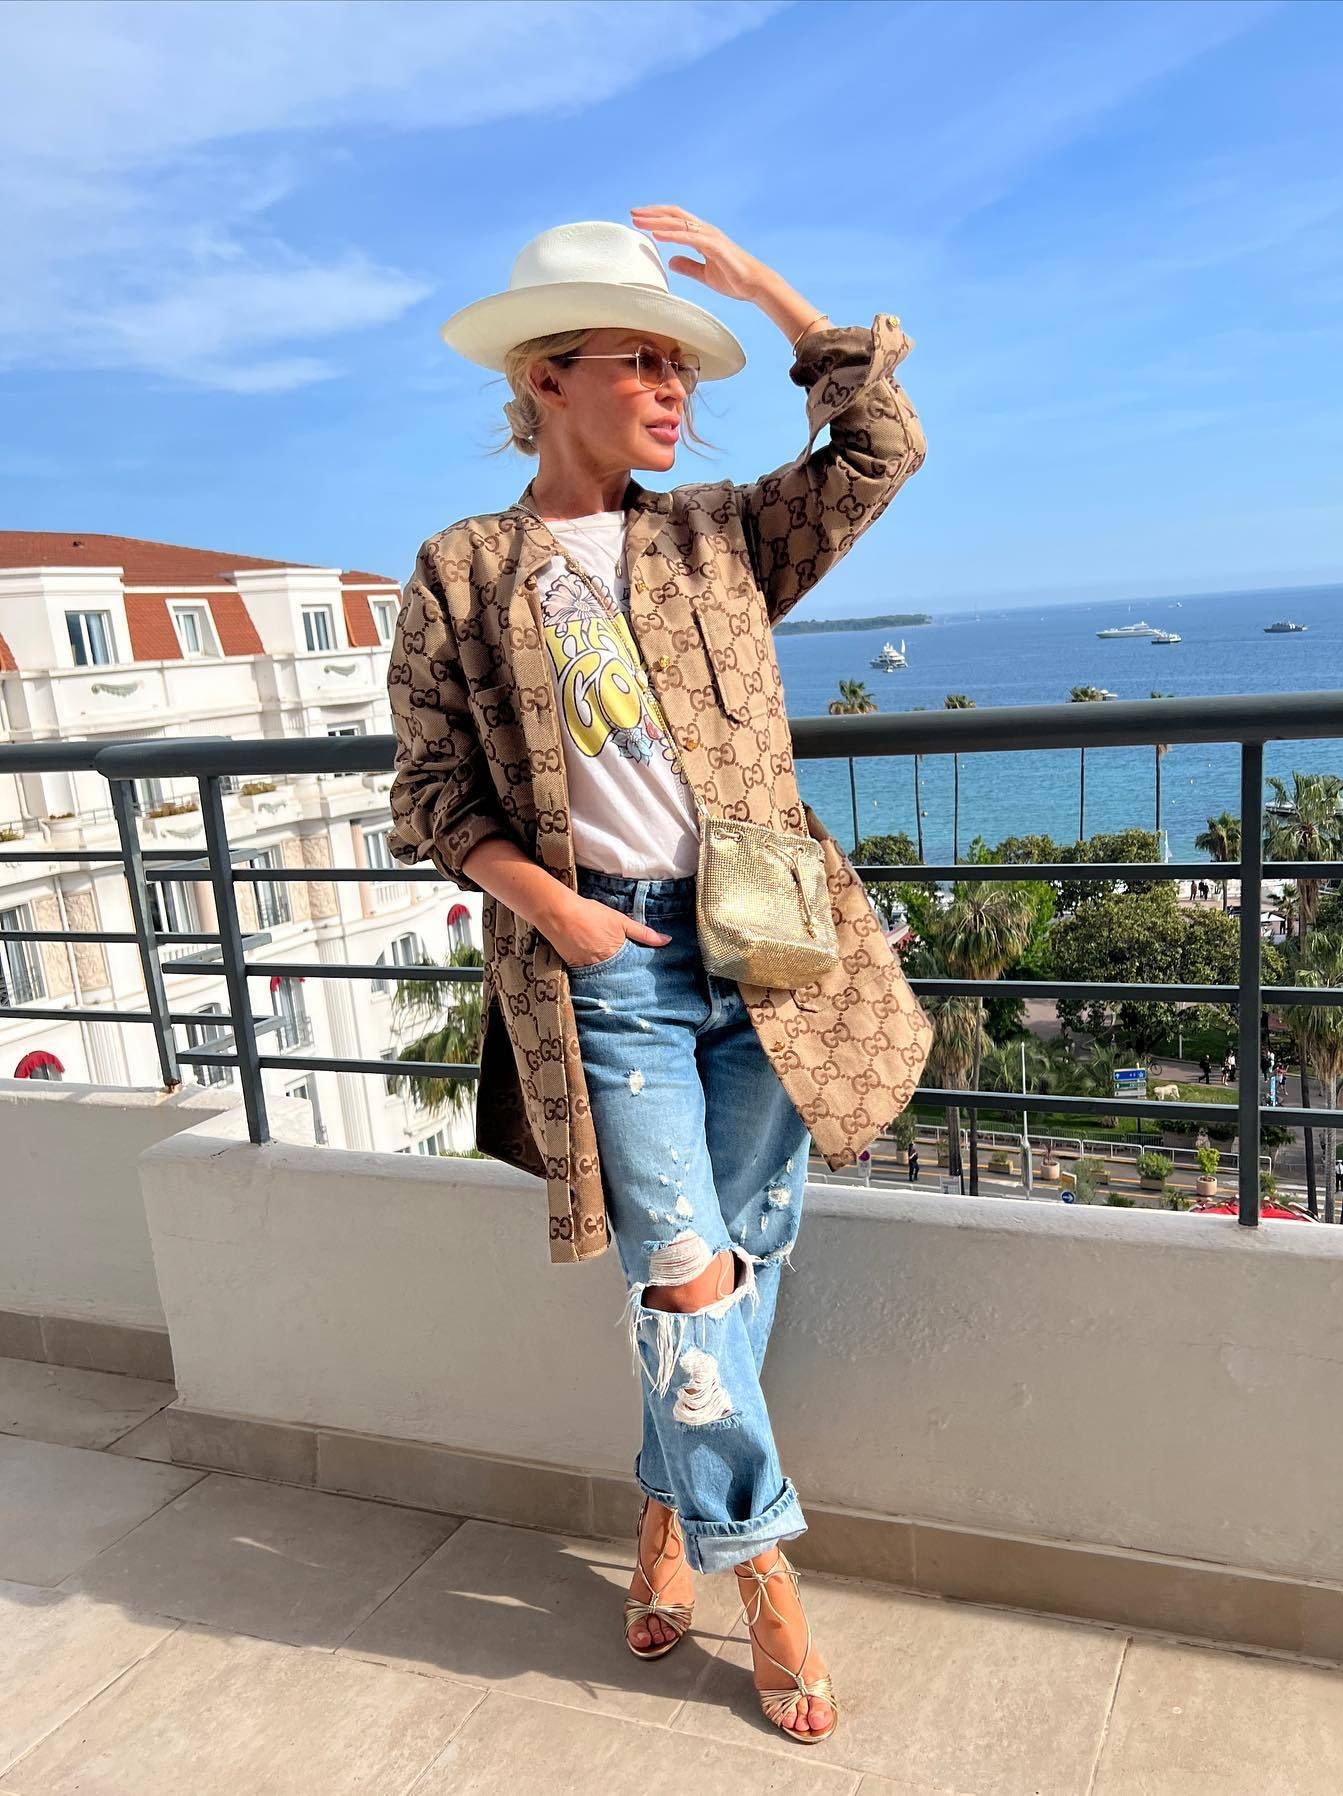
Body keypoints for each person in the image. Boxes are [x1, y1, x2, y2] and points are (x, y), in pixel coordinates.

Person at [386, 211, 932, 1747]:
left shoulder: (716, 535)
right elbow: (429, 789)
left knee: (742, 1252)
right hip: (605, 963)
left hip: (764, 944)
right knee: (682, 1271)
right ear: (546, 377)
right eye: (639, 359)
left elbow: (880, 449)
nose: (675, 384)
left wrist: (767, 292)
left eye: (681, 362)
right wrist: (551, 905)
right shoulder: (465, 570)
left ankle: (667, 1506)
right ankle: (765, 1572)